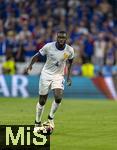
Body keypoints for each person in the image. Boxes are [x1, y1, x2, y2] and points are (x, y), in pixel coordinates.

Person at [26, 31, 74, 130]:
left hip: (58, 76)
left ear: (66, 39)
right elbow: (37, 55)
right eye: (59, 37)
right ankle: (37, 122)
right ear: (57, 37)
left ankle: (50, 118)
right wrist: (30, 64)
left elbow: (70, 63)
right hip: (46, 74)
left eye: (63, 38)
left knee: (58, 97)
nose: (61, 39)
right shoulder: (48, 46)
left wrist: (69, 76)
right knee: (42, 101)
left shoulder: (70, 50)